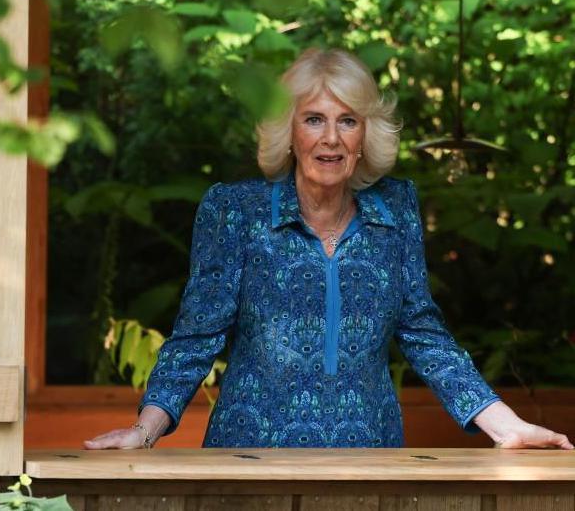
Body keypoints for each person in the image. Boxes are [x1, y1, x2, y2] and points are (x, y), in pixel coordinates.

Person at [83, 48, 573, 450]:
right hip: (250, 459)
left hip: (369, 458)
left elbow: (424, 333)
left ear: (366, 136)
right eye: (314, 119)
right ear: (290, 133)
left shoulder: (394, 211)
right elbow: (196, 336)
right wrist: (146, 431)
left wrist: (505, 425)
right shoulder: (236, 212)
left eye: (348, 121)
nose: (331, 139)